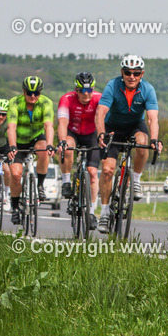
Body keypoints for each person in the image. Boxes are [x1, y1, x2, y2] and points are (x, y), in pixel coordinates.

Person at [94, 55, 162, 233]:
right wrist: (101, 133)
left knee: (143, 142)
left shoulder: (148, 89)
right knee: (107, 170)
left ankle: (136, 180)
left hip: (134, 126)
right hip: (112, 128)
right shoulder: (113, 85)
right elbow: (100, 113)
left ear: (142, 74)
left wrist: (155, 139)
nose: (132, 76)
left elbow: (152, 118)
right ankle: (104, 213)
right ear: (122, 73)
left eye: (136, 73)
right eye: (128, 72)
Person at [6, 77, 56, 225]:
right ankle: (15, 208)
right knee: (16, 174)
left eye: (36, 93)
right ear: (23, 92)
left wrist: (50, 144)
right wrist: (12, 146)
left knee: (44, 150)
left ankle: (40, 185)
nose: (33, 96)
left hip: (36, 137)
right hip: (18, 140)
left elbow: (48, 125)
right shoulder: (15, 102)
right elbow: (11, 127)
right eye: (29, 93)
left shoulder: (46, 103)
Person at [56, 72, 102, 229]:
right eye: (82, 90)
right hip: (73, 132)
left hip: (92, 134)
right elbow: (62, 122)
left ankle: (91, 212)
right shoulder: (67, 99)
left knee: (93, 173)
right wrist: (62, 141)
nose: (86, 94)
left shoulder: (99, 98)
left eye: (89, 90)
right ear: (76, 90)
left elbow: (105, 120)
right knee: (67, 148)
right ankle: (66, 181)